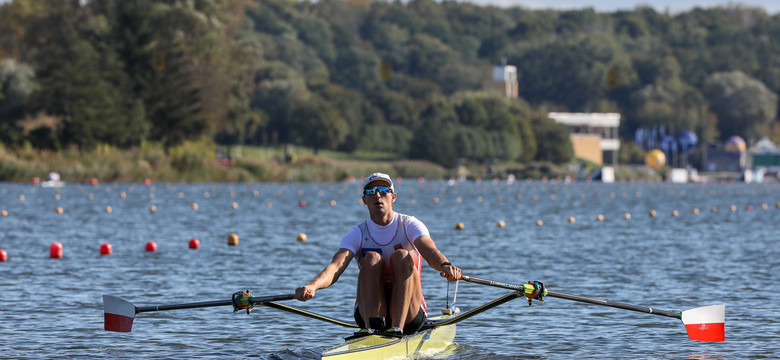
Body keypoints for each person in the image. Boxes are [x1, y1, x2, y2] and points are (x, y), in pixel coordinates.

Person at [295, 172, 461, 336]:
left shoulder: (409, 224)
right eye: (370, 192)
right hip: (369, 313)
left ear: (393, 197)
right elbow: (335, 267)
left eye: (383, 190)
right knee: (372, 258)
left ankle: (396, 328)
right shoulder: (357, 233)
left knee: (401, 256)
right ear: (364, 200)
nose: (377, 195)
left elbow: (430, 251)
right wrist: (312, 286)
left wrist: (445, 265)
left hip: (410, 315)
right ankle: (371, 330)